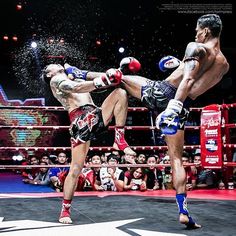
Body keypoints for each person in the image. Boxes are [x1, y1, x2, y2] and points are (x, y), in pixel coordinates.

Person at [65, 14, 229, 229]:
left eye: (198, 30)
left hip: (166, 94)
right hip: (184, 106)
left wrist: (172, 106)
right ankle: (183, 211)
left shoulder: (195, 47)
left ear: (206, 31)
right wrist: (179, 66)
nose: (195, 33)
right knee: (176, 160)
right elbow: (194, 81)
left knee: (118, 79)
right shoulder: (223, 64)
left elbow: (188, 78)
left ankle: (79, 73)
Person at [41, 64, 135, 224]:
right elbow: (75, 87)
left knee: (121, 92)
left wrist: (115, 74)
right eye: (52, 66)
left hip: (95, 113)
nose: (57, 64)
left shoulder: (74, 76)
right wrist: (103, 79)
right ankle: (65, 209)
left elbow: (96, 85)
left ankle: (119, 139)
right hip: (80, 121)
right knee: (76, 169)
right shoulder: (56, 80)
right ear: (49, 73)